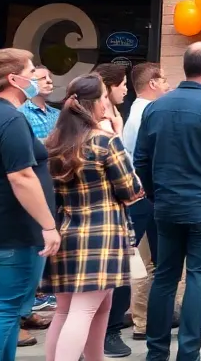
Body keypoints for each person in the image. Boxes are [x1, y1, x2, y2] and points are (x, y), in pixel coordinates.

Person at [134, 43, 201, 361]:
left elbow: (141, 161)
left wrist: (156, 194)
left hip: (166, 206)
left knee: (165, 276)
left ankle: (156, 352)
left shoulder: (155, 107)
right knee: (198, 277)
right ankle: (188, 352)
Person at [42, 74, 142, 361]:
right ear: (96, 102)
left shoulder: (53, 142)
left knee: (77, 309)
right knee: (85, 310)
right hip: (102, 234)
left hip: (65, 230)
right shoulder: (104, 140)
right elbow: (129, 189)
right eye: (103, 98)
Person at [0, 48, 61, 361]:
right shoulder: (11, 120)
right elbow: (21, 177)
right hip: (15, 232)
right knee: (7, 310)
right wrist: (48, 225)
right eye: (32, 73)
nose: (36, 80)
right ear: (13, 79)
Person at [105, 63, 170, 356]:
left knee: (151, 261)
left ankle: (151, 318)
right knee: (142, 263)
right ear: (154, 83)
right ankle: (136, 323)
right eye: (165, 79)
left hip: (144, 195)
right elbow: (141, 158)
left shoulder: (134, 113)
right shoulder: (146, 112)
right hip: (143, 197)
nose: (168, 85)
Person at [18, 66, 58, 339]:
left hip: (55, 186)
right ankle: (19, 315)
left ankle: (28, 307)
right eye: (41, 77)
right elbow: (27, 150)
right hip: (29, 189)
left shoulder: (57, 114)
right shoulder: (20, 115)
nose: (48, 81)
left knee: (40, 254)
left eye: (49, 77)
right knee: (27, 250)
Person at [93, 65, 127, 139]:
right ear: (111, 86)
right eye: (124, 85)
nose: (126, 91)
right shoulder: (103, 122)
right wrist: (118, 131)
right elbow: (115, 149)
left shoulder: (115, 112)